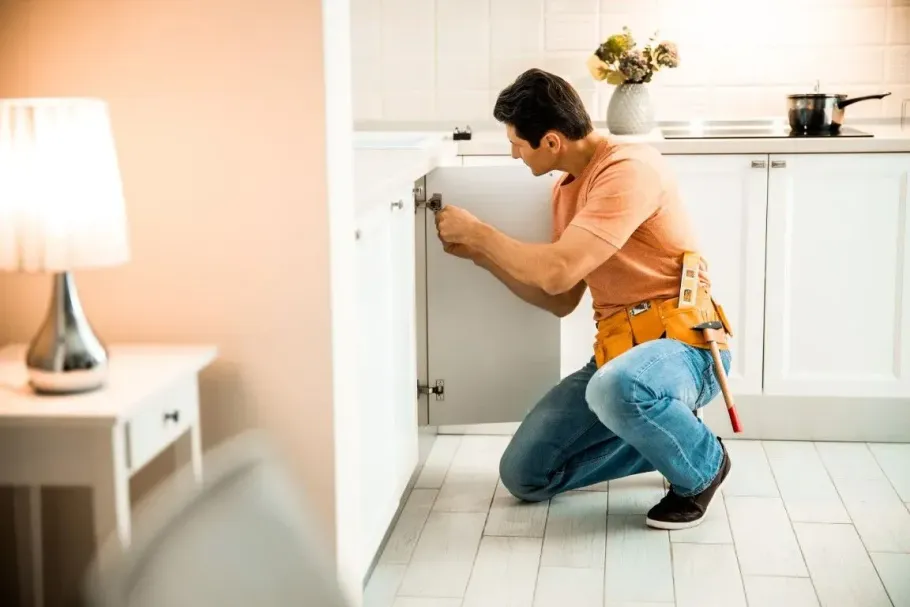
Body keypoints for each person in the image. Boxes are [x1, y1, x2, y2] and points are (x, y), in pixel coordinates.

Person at [433, 68, 734, 530]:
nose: (513, 152)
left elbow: (557, 271)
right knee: (525, 476)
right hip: (618, 357)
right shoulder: (565, 191)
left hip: (685, 348)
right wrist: (479, 255)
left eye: (517, 142)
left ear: (551, 141)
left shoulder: (628, 170)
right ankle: (667, 440)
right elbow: (560, 298)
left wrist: (483, 234)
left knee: (617, 387)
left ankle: (703, 466)